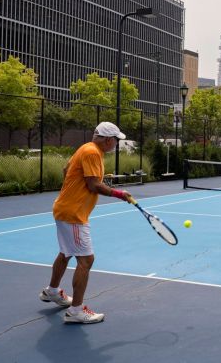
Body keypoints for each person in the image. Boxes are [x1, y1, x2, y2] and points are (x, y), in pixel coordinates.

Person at [39, 122, 132, 324]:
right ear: (108, 139)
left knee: (66, 253)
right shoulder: (92, 153)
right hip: (74, 214)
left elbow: (66, 170)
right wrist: (119, 194)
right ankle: (76, 311)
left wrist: (75, 188)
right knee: (86, 260)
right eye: (116, 140)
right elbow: (93, 185)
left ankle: (52, 292)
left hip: (65, 208)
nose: (116, 144)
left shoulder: (85, 148)